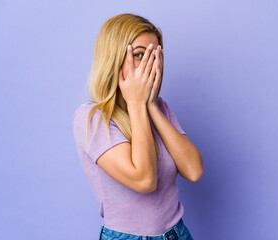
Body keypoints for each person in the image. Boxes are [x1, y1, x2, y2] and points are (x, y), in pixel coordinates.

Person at [72, 13, 203, 240]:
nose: (150, 65)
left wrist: (150, 105)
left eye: (156, 56)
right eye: (139, 55)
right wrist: (136, 103)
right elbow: (144, 180)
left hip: (177, 234)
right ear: (113, 58)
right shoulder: (92, 118)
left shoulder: (160, 108)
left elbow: (194, 171)